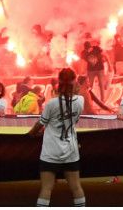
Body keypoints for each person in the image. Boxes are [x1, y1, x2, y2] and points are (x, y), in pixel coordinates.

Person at [30, 68, 85, 209]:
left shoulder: (51, 104)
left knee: (46, 189)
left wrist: (30, 134)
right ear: (74, 81)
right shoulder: (80, 101)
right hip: (71, 151)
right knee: (76, 188)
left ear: (59, 82)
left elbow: (40, 124)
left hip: (51, 152)